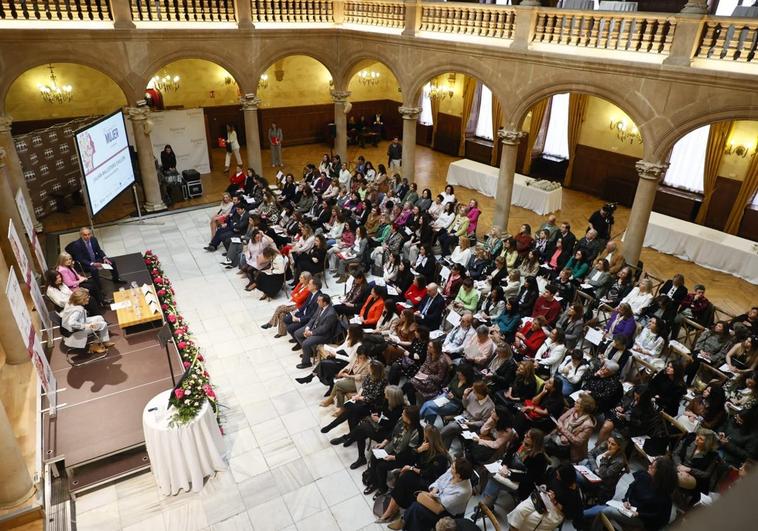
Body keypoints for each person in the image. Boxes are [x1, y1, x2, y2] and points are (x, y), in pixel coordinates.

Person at [376, 425, 450, 526]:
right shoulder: (425, 446)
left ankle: (390, 512)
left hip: (430, 482)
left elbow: (428, 473)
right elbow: (411, 458)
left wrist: (411, 468)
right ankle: (394, 507)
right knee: (405, 476)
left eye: (425, 436)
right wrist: (418, 450)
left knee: (406, 477)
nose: (424, 438)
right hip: (420, 473)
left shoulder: (440, 457)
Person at [583, 456, 677, 531]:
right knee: (605, 506)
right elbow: (631, 487)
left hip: (641, 518)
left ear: (659, 474)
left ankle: (583, 518)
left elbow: (660, 519)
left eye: (652, 467)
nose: (649, 466)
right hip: (628, 507)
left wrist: (639, 514)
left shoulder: (664, 498)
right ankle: (583, 517)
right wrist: (626, 500)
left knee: (606, 511)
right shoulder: (644, 476)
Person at [480, 428, 549, 510]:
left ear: (535, 441)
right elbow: (509, 454)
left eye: (528, 436)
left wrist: (509, 474)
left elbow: (529, 478)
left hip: (521, 483)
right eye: (526, 434)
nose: (525, 436)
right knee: (487, 472)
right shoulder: (522, 443)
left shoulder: (540, 458)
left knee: (494, 480)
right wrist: (505, 465)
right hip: (509, 471)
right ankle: (487, 502)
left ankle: (486, 506)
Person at [363, 405, 422, 496]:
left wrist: (393, 457)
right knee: (374, 457)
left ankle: (382, 488)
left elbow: (410, 453)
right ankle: (374, 482)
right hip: (393, 447)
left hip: (403, 456)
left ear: (410, 418)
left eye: (404, 413)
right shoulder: (401, 420)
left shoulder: (416, 432)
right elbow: (393, 433)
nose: (402, 414)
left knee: (381, 466)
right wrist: (383, 443)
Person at [401, 458, 473, 531]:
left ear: (458, 475)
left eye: (453, 468)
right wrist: (434, 490)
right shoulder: (453, 471)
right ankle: (407, 522)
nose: (450, 467)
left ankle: (405, 521)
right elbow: (439, 481)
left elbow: (443, 505)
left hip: (447, 512)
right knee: (415, 501)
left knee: (417, 508)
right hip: (438, 498)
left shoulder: (463, 491)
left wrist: (431, 496)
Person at [506, 464, 581, 531]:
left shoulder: (573, 493)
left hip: (556, 510)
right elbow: (543, 481)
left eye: (559, 476)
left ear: (566, 479)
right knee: (519, 511)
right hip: (542, 497)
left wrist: (554, 501)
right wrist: (543, 487)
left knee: (529, 520)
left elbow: (570, 514)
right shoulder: (554, 472)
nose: (557, 476)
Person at [439, 381, 495, 450]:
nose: (473, 393)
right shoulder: (473, 394)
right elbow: (465, 406)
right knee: (451, 432)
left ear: (479, 394)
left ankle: (434, 439)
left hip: (472, 424)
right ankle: (443, 451)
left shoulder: (489, 406)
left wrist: (471, 423)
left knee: (452, 426)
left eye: (474, 392)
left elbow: (484, 422)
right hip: (463, 416)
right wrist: (465, 396)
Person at [575, 433, 628, 505]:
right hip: (593, 470)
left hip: (601, 482)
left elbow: (603, 475)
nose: (609, 446)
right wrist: (595, 468)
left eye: (613, 444)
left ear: (619, 447)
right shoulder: (605, 445)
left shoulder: (619, 461)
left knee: (576, 475)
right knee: (582, 464)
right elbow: (590, 454)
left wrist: (605, 458)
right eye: (609, 442)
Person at [546, 393, 597, 462]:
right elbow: (560, 420)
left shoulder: (588, 425)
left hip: (572, 449)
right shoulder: (573, 410)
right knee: (542, 442)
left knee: (547, 447)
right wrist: (561, 435)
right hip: (560, 436)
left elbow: (577, 442)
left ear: (583, 407)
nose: (575, 402)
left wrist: (562, 431)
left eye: (577, 402)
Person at [60, 288, 113, 354]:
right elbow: (72, 323)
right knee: (103, 324)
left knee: (99, 317)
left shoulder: (70, 302)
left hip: (78, 323)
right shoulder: (78, 310)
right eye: (87, 297)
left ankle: (104, 341)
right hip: (77, 330)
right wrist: (85, 326)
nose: (89, 298)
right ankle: (95, 344)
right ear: (81, 299)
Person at [293, 293, 338, 368]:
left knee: (305, 343)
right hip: (314, 328)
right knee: (297, 333)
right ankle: (309, 352)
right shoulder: (320, 306)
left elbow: (324, 329)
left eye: (319, 301)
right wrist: (307, 328)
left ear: (325, 303)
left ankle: (306, 363)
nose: (317, 302)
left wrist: (311, 333)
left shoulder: (331, 314)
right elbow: (313, 318)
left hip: (324, 335)